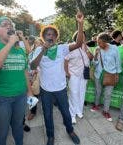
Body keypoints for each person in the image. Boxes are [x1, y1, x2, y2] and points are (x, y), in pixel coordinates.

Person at [30, 11, 84, 145]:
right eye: (48, 34)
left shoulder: (62, 48)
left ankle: (70, 130)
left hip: (60, 88)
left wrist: (80, 24)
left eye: (53, 35)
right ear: (43, 37)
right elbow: (32, 66)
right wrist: (43, 50)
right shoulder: (38, 50)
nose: (51, 36)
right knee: (47, 115)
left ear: (56, 37)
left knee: (66, 112)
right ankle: (50, 136)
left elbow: (78, 44)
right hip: (46, 89)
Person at [0, 16, 32, 145]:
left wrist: (29, 92)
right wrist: (11, 43)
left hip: (20, 97)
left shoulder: (20, 50)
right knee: (1, 134)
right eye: (4, 25)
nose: (9, 27)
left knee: (18, 127)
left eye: (11, 25)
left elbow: (24, 71)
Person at [90, 32, 121, 122]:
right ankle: (96, 105)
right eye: (97, 42)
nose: (98, 44)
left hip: (111, 74)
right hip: (98, 74)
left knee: (108, 94)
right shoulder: (97, 49)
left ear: (105, 42)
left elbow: (118, 62)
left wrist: (117, 75)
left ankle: (105, 111)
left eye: (99, 42)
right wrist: (95, 54)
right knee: (98, 91)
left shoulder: (114, 48)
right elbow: (94, 64)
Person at [65, 31, 93, 124]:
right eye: (81, 36)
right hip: (73, 74)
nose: (82, 38)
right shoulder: (71, 46)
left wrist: (85, 48)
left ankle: (79, 111)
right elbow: (65, 60)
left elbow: (91, 57)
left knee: (82, 92)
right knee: (73, 93)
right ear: (76, 37)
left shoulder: (86, 46)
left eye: (84, 37)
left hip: (83, 74)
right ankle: (72, 114)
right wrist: (67, 72)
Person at [27, 37, 43, 120]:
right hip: (30, 75)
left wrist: (36, 71)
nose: (38, 45)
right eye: (37, 43)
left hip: (39, 75)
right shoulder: (31, 53)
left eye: (40, 43)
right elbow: (28, 63)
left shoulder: (44, 53)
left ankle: (33, 111)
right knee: (31, 93)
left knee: (35, 92)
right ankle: (32, 110)